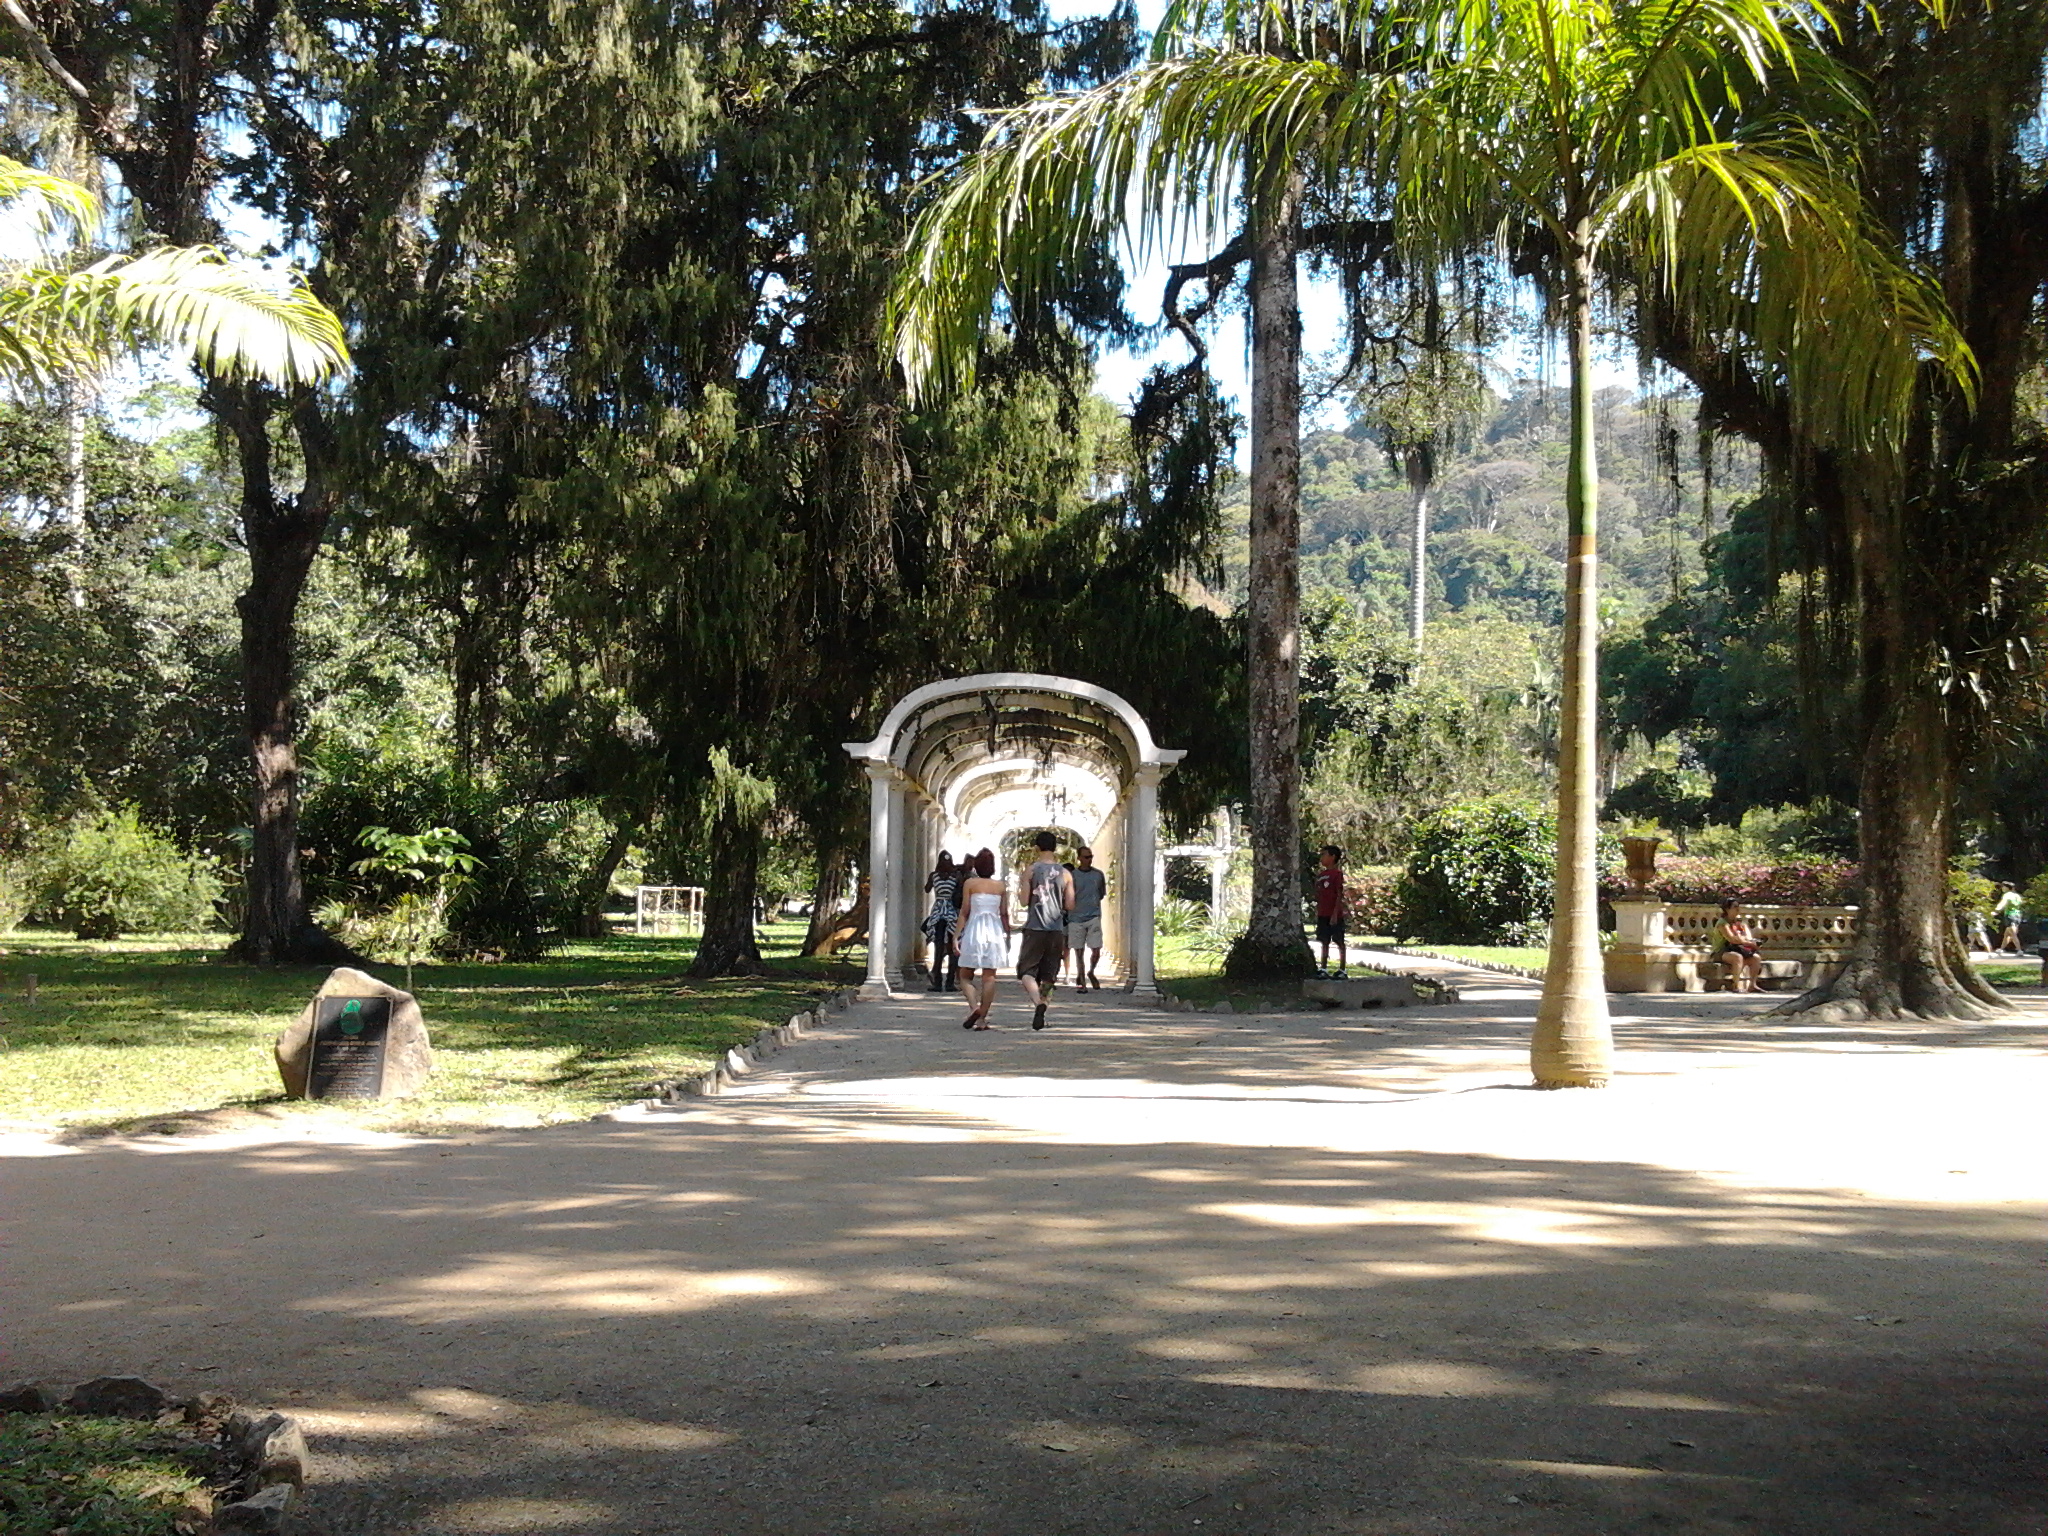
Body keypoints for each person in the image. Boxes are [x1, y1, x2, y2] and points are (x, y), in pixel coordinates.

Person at [1018, 830, 1074, 1030]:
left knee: (1026, 971)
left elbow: (1024, 901)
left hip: (1035, 926)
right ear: (1055, 848)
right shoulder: (1066, 873)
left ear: (1037, 848)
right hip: (1056, 928)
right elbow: (1070, 904)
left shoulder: (1031, 871)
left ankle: (1038, 1003)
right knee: (1049, 974)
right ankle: (1044, 1007)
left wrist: (1025, 886)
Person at [954, 848, 1009, 1030]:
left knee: (964, 975)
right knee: (989, 976)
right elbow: (1003, 913)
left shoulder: (970, 883)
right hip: (993, 930)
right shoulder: (1000, 886)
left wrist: (956, 936)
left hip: (974, 930)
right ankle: (982, 1018)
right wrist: (1007, 935)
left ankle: (974, 1007)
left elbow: (964, 911)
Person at [1065, 845, 1109, 990]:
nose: (1089, 860)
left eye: (1090, 857)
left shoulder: (1098, 875)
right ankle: (1082, 982)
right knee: (1079, 952)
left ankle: (1091, 971)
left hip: (1093, 916)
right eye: (1086, 857)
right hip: (1076, 918)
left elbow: (1101, 893)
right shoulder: (1073, 876)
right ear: (1079, 858)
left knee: (1096, 949)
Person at [922, 852, 963, 993]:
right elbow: (961, 891)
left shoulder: (934, 876)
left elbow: (927, 889)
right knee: (952, 948)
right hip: (950, 912)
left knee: (939, 948)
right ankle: (949, 982)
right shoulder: (956, 876)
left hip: (939, 911)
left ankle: (939, 982)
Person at [1715, 897, 1764, 992]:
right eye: (1735, 907)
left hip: (1737, 949)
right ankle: (1735, 986)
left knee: (1756, 958)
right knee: (1737, 957)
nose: (1738, 909)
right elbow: (1732, 939)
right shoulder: (1722, 923)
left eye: (1738, 906)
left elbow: (1747, 936)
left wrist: (1750, 941)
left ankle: (1752, 985)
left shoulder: (1739, 923)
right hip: (1722, 951)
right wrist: (1749, 943)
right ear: (1727, 909)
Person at [1314, 845, 1348, 979]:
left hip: (1334, 914)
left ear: (1333, 857)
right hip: (1322, 913)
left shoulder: (1337, 875)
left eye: (1324, 855)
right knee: (1324, 941)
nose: (1322, 858)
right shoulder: (1321, 875)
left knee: (1339, 941)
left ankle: (1342, 969)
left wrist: (1335, 913)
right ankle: (1323, 968)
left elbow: (1339, 894)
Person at [1993, 881, 2024, 955]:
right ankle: (2001, 949)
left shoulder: (2007, 895)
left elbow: (2002, 903)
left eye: (2003, 887)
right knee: (2007, 934)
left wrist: (1996, 910)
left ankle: (2019, 950)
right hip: (2018, 915)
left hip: (2010, 915)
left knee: (2013, 934)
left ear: (2007, 887)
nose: (2002, 888)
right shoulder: (2017, 896)